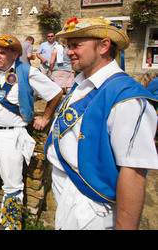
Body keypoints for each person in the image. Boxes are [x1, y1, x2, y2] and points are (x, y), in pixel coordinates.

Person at [45, 17, 158, 230]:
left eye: (76, 45)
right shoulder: (82, 83)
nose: (68, 52)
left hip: (92, 206)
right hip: (68, 194)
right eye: (68, 46)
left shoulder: (128, 98)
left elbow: (133, 173)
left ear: (104, 46)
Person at [0, 35, 63, 230]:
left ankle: (10, 225)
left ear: (15, 54)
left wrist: (45, 118)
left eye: (1, 53)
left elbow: (56, 92)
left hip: (12, 134)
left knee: (12, 182)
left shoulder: (27, 72)